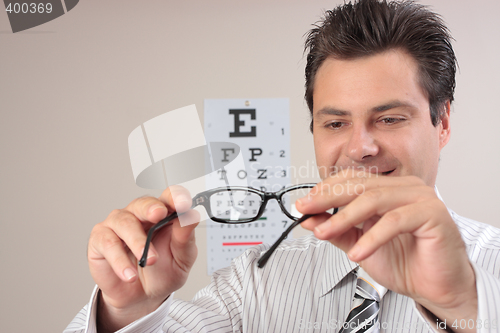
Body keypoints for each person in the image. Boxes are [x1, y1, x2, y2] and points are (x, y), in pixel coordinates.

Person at [65, 0, 500, 332]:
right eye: (335, 122)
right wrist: (127, 310)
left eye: (389, 118)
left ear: (441, 123)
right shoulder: (256, 281)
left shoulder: (492, 266)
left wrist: (464, 304)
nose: (359, 147)